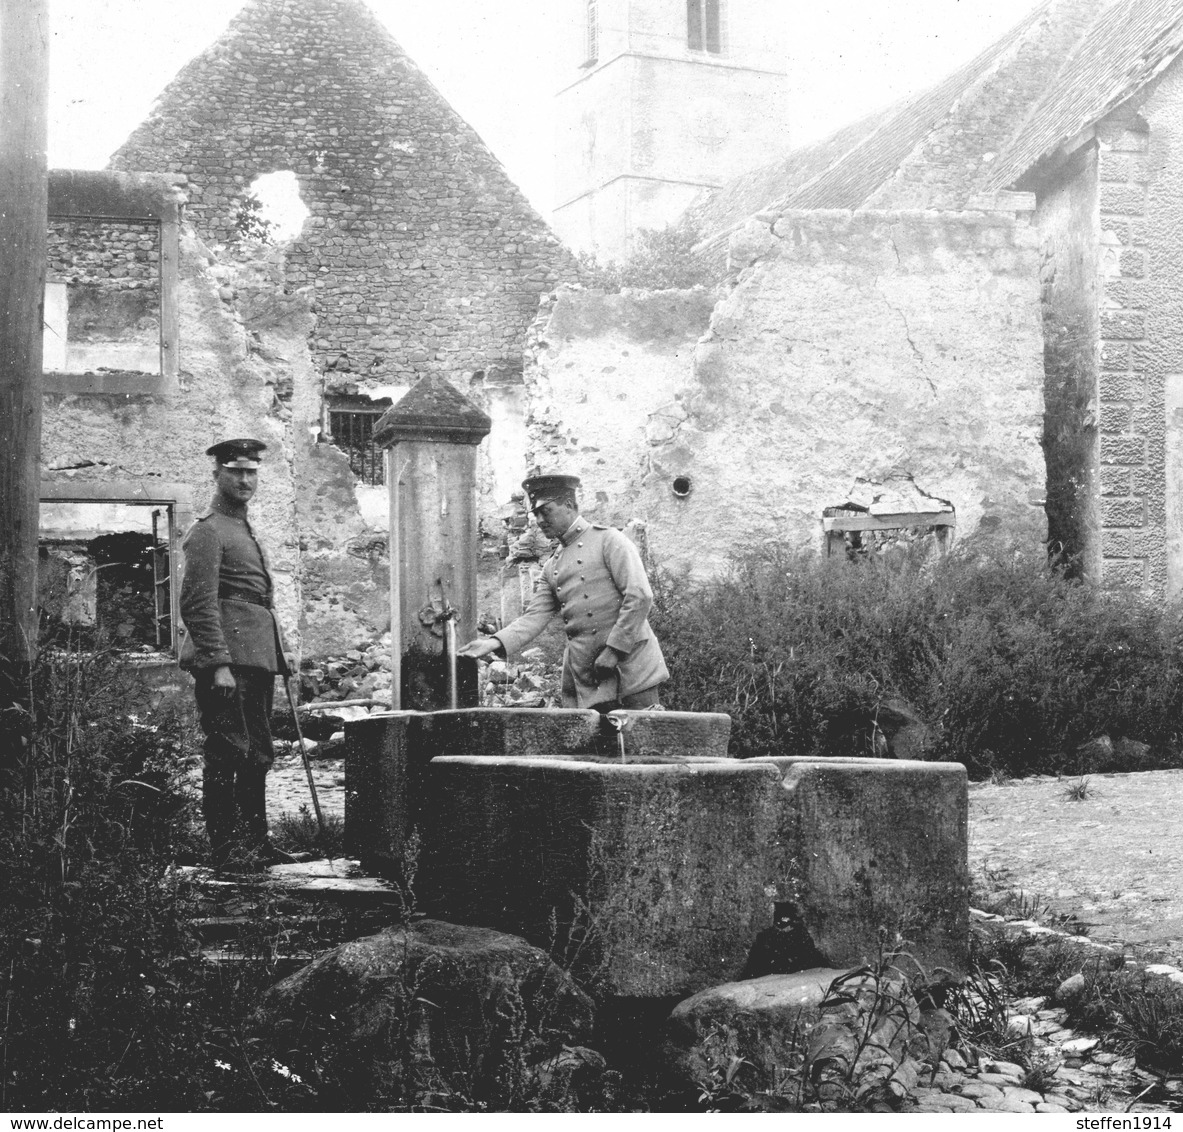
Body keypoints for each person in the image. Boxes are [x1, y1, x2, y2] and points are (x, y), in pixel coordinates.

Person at [179, 437, 295, 868]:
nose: (245, 480)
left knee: (258, 750)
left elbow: (257, 601)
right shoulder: (207, 530)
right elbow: (197, 603)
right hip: (228, 663)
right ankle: (226, 850)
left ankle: (256, 843)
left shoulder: (244, 529)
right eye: (236, 471)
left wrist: (278, 656)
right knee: (228, 749)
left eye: (251, 472)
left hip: (257, 660)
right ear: (217, 475)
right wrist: (218, 664)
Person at [459, 473, 669, 710]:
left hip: (630, 666)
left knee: (642, 741)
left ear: (569, 505)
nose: (539, 520)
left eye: (545, 511)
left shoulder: (609, 540)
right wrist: (493, 642)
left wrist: (614, 650)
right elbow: (534, 617)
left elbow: (640, 596)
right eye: (535, 514)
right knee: (597, 745)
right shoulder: (552, 566)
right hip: (589, 673)